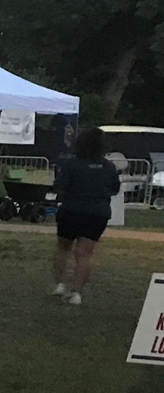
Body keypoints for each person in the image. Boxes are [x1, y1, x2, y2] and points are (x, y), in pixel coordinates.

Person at [51, 126, 121, 305]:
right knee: (84, 254)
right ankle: (76, 293)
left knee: (63, 248)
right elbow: (115, 189)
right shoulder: (109, 166)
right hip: (97, 214)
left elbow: (61, 186)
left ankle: (59, 284)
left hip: (71, 211)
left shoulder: (71, 165)